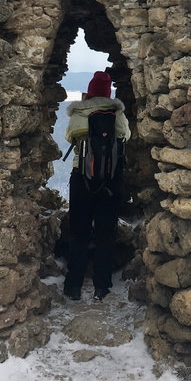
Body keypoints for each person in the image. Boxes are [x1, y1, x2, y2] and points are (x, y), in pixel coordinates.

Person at [63, 70, 131, 301]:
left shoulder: (79, 112)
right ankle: (102, 286)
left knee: (79, 233)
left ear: (90, 91)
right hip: (111, 180)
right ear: (108, 91)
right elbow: (126, 136)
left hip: (81, 178)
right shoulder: (116, 114)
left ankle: (73, 286)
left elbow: (68, 136)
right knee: (105, 233)